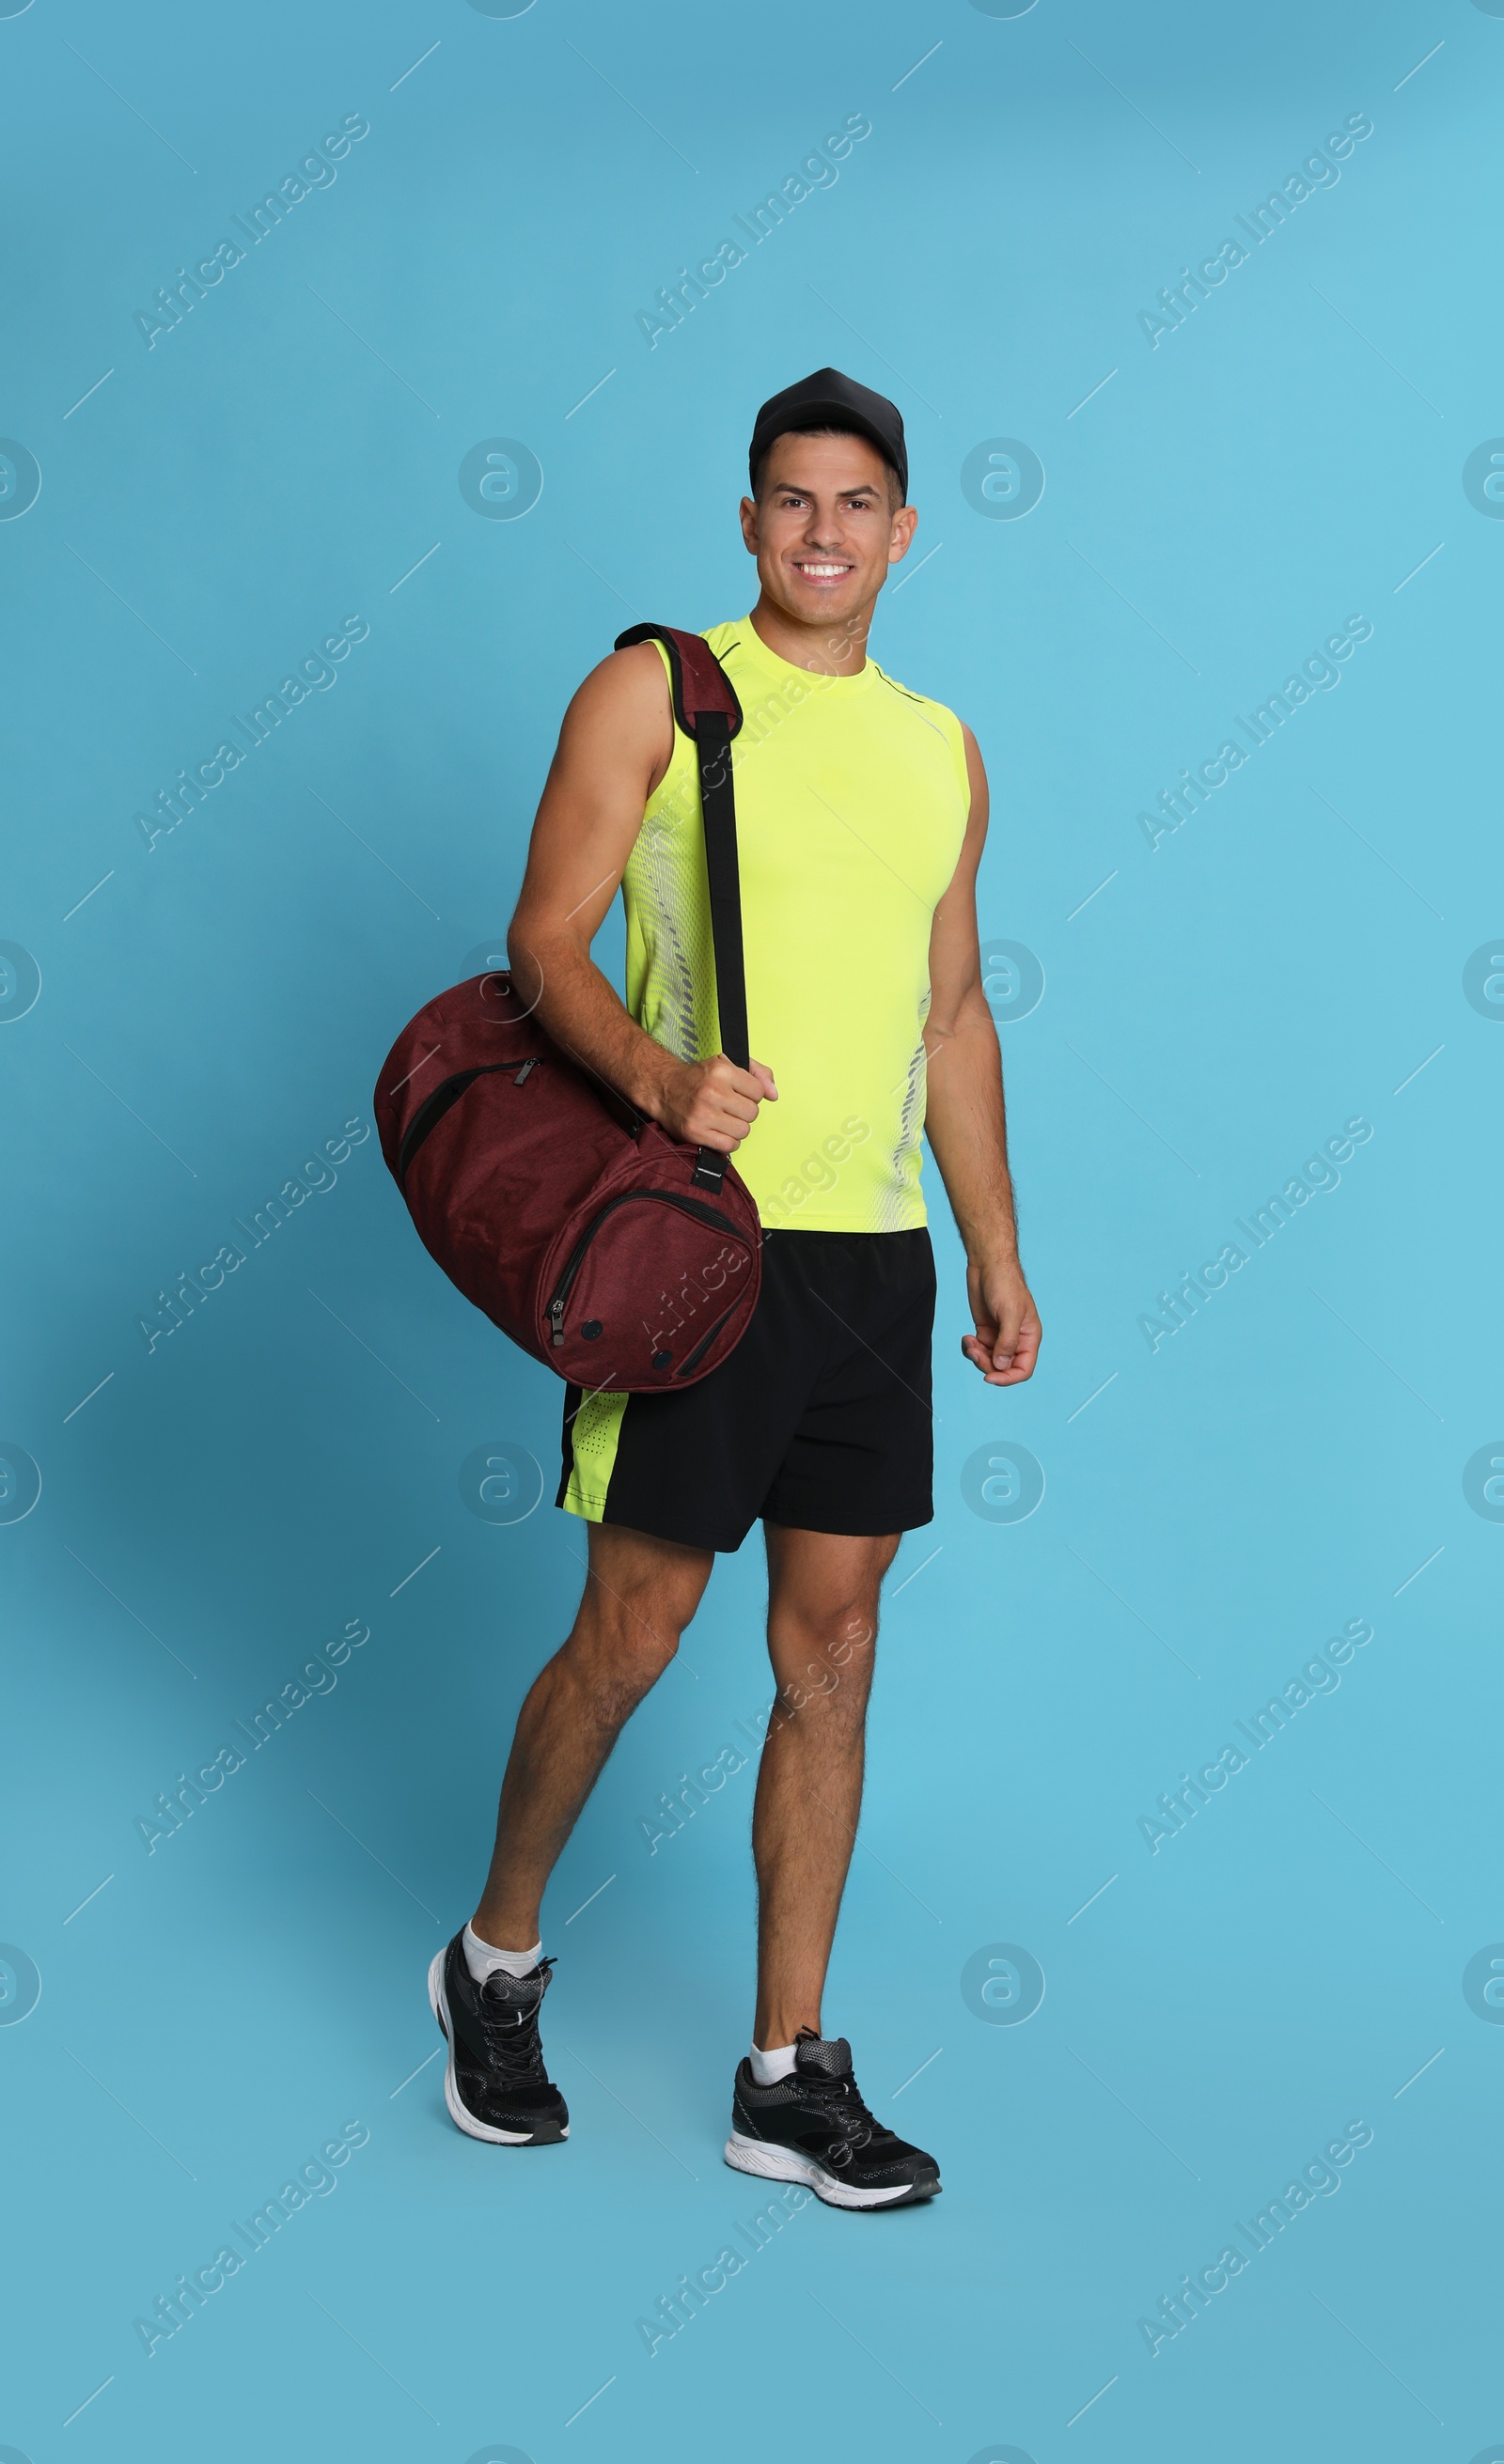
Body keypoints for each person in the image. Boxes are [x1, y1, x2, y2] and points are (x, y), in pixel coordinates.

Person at [428, 367, 1041, 2207]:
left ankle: (786, 2074)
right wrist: (656, 1080)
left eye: (857, 502)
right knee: (632, 1635)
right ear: (748, 517)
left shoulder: (941, 746)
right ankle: (495, 1962)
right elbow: (541, 942)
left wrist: (995, 1253)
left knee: (832, 1659)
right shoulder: (658, 690)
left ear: (903, 529)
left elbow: (947, 1012)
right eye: (790, 499)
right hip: (686, 1244)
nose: (823, 532)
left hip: (867, 1260)